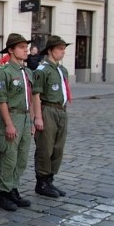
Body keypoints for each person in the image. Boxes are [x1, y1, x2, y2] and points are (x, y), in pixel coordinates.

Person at [0, 34, 35, 212]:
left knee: (22, 157)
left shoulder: (26, 72)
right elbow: (1, 100)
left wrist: (32, 120)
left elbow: (30, 98)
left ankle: (13, 188)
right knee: (9, 156)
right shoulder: (5, 72)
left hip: (25, 118)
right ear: (11, 50)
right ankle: (3, 194)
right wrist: (9, 124)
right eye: (21, 47)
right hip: (11, 116)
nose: (25, 50)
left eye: (26, 47)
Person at [32, 35, 72, 198]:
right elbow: (36, 94)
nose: (63, 52)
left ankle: (50, 179)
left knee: (58, 148)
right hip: (47, 109)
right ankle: (41, 181)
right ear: (50, 50)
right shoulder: (42, 70)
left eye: (64, 49)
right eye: (60, 49)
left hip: (61, 110)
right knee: (45, 147)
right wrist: (38, 117)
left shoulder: (62, 70)